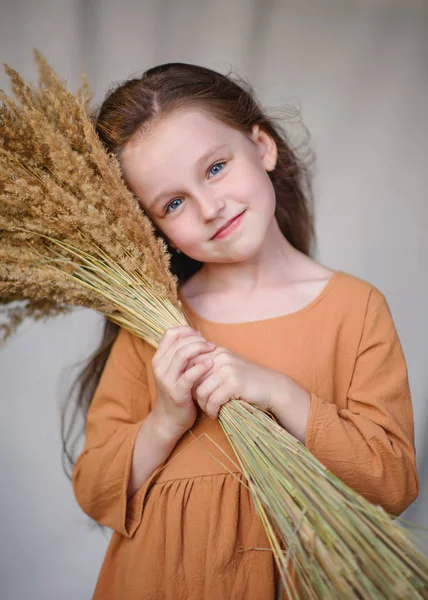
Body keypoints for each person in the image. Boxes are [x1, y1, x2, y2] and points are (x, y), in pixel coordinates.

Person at [67, 63, 419, 599]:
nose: (210, 208)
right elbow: (94, 489)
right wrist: (165, 419)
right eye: (174, 203)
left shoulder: (354, 308)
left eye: (215, 168)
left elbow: (392, 483)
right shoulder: (155, 323)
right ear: (155, 228)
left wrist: (279, 393)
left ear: (263, 147)